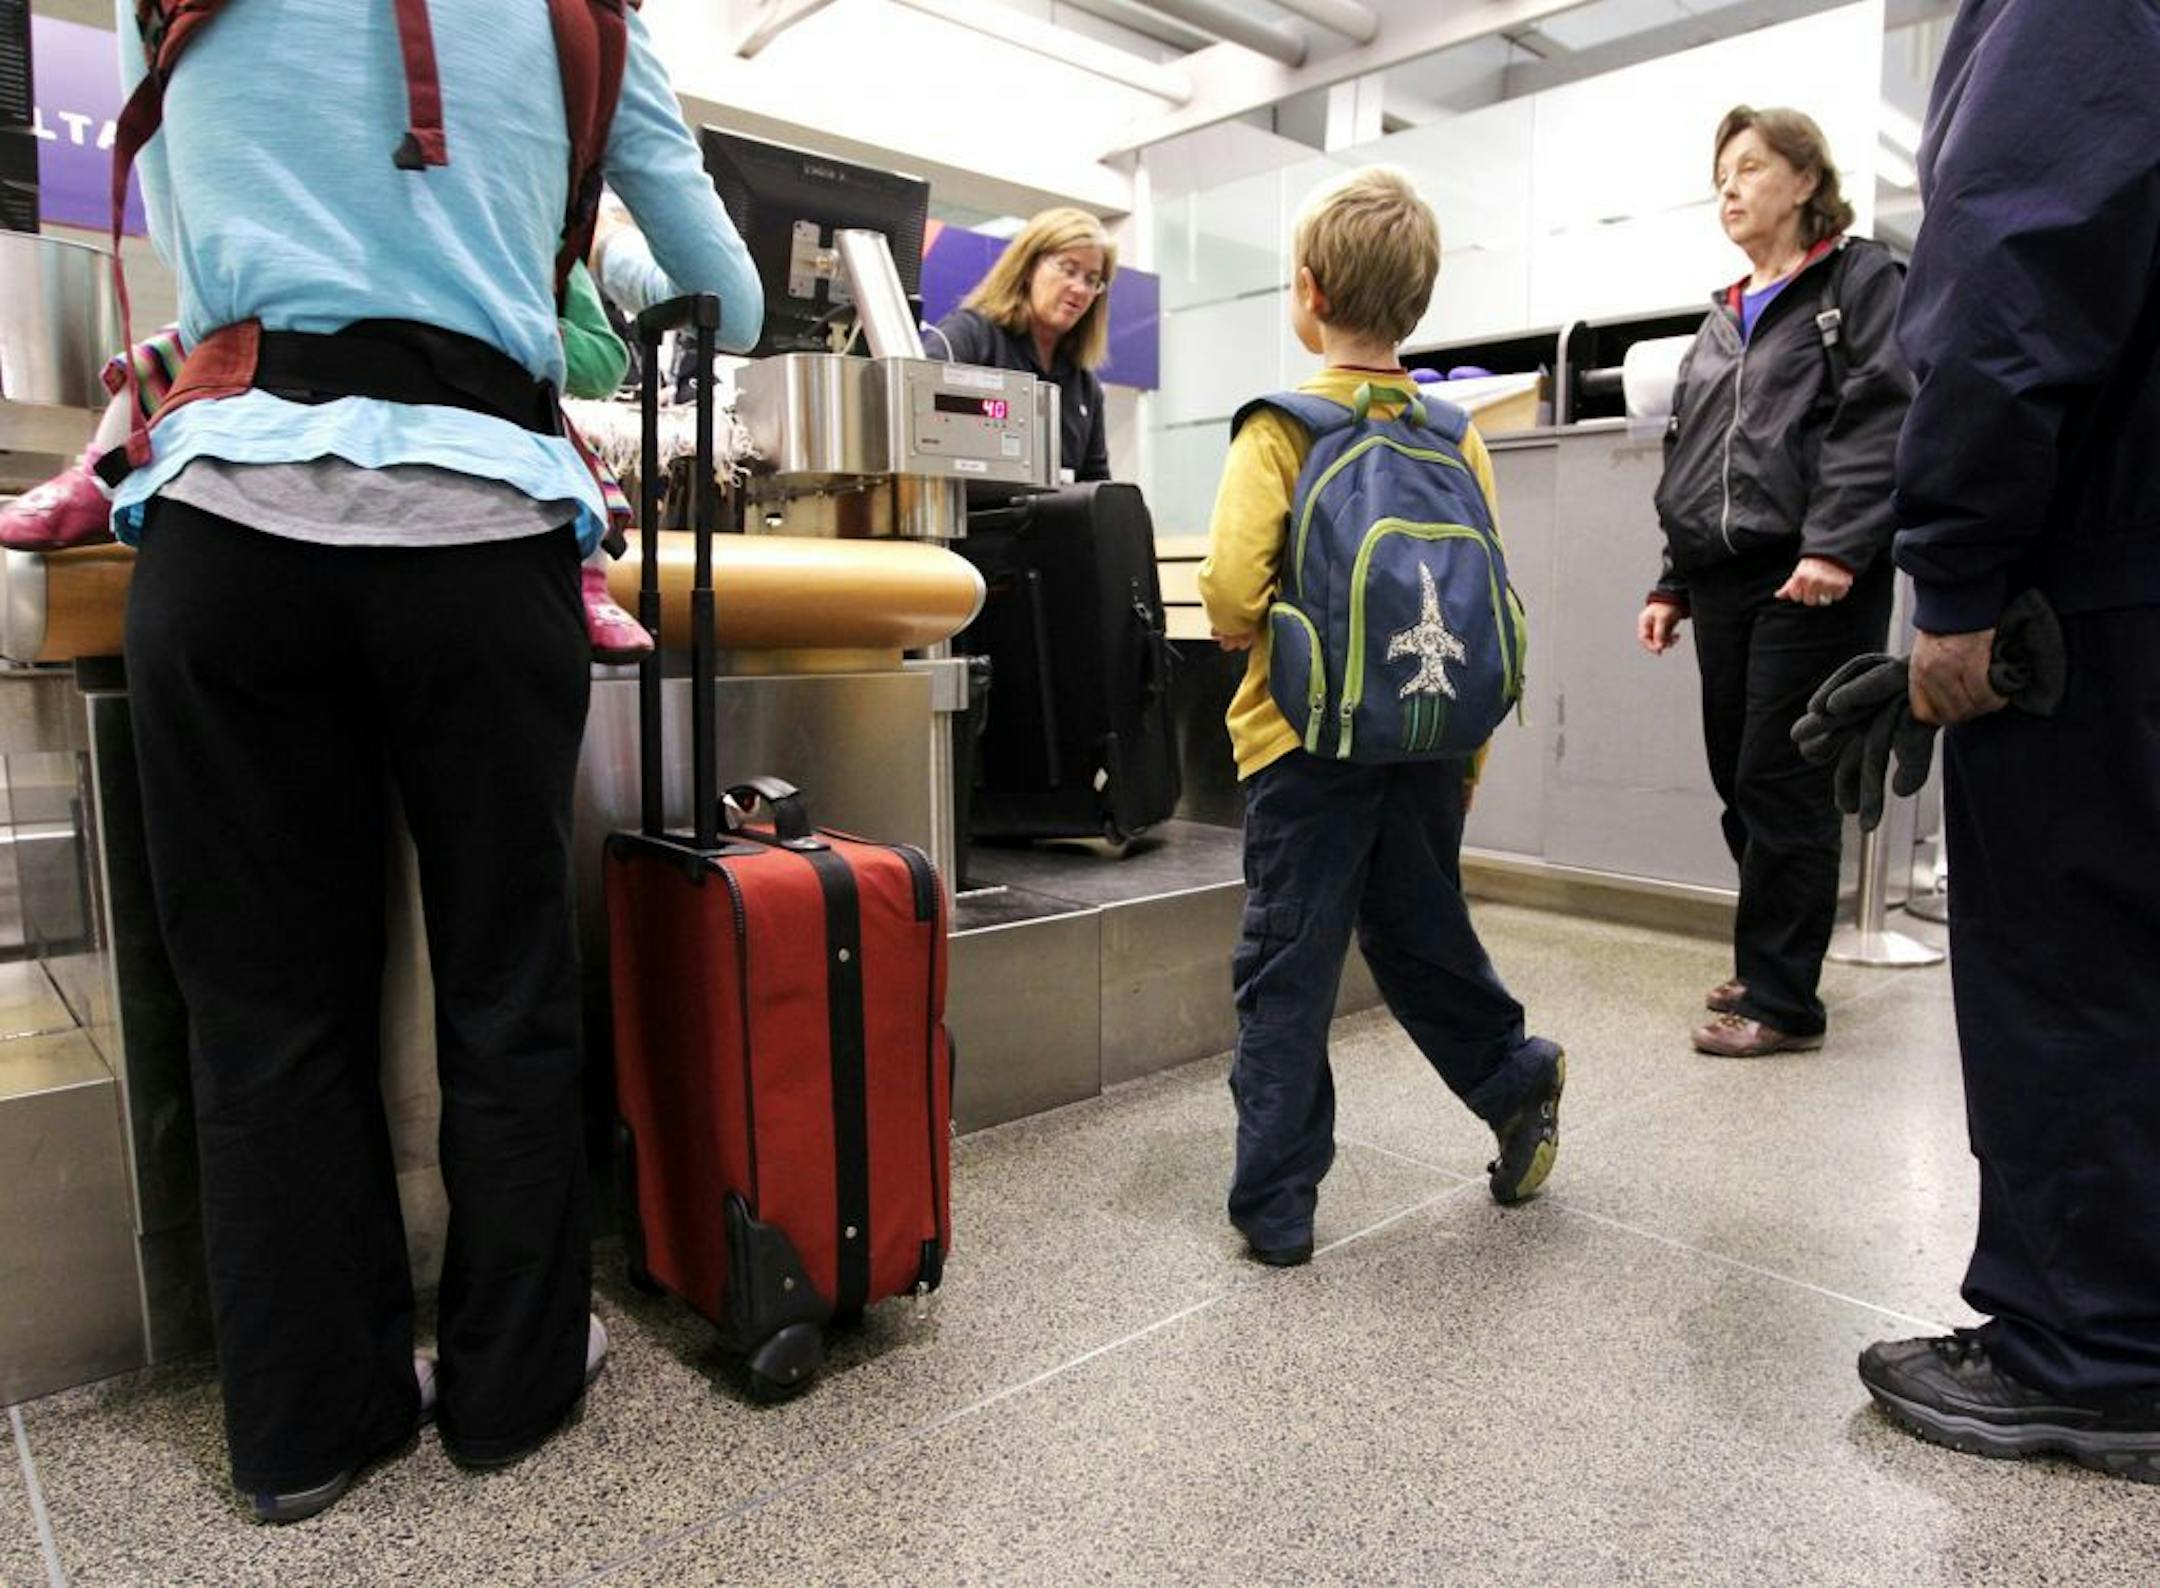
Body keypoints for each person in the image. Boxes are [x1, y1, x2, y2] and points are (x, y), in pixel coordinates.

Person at [109, 0, 759, 1522]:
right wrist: (565, 240)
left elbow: (186, 190)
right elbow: (717, 293)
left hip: (231, 524)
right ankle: (510, 1387)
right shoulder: (582, 17)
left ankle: (304, 1427)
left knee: (266, 1005)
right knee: (504, 986)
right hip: (482, 533)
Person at [1854, 0, 2160, 1483]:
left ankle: (2090, 1355)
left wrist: (1958, 576)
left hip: (2112, 568)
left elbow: (2011, 272)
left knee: (2075, 954)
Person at [1197, 166, 1565, 1268]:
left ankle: (1277, 1201)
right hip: (1432, 736)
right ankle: (1513, 1075)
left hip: (1305, 740)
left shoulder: (1283, 429)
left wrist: (1244, 627)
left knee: (1289, 959)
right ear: (1421, 302)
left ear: (1307, 290)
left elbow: (1226, 592)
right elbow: (1476, 593)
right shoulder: (1459, 436)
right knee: (1415, 931)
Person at [1637, 107, 1912, 1058]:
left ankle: (1786, 1000)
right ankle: (1769, 960)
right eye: (1721, 174)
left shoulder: (1857, 280)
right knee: (1736, 775)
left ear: (1805, 180)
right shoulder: (1724, 312)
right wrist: (1671, 580)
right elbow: (1693, 455)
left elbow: (1882, 414)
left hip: (1815, 571)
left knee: (1780, 777)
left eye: (1751, 168)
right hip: (1725, 575)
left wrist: (1836, 544)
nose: (1731, 187)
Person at [0, 260, 654, 658]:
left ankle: (586, 581)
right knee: (172, 352)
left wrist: (497, 315)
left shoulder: (532, 210)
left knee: (559, 457)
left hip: (473, 399)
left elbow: (600, 358)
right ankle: (100, 476)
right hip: (283, 377)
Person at [931, 208, 1115, 484]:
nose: (1079, 289)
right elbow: (921, 415)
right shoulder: (971, 336)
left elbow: (1094, 485)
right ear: (1029, 267)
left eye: (1091, 279)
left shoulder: (1084, 386)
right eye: (1068, 269)